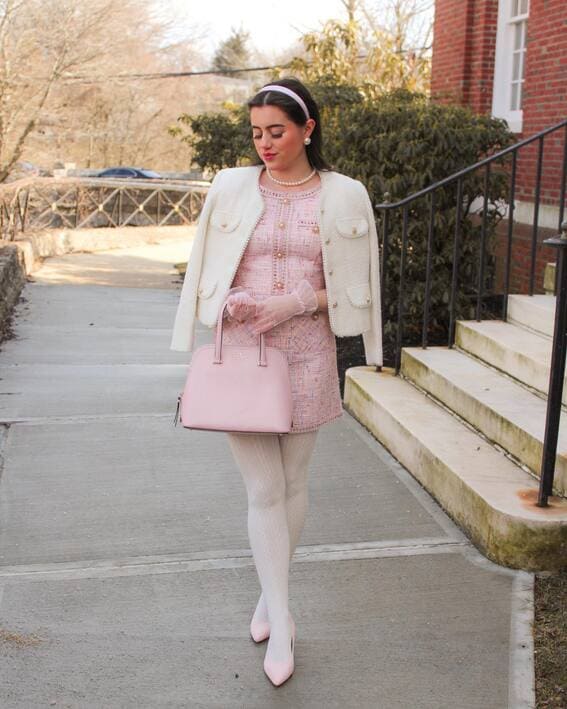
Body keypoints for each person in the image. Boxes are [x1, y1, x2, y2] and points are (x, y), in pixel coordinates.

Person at [170, 77, 383, 687]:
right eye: (257, 132)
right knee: (264, 488)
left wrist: (295, 302)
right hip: (242, 351)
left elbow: (351, 285)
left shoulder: (344, 195)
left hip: (308, 350)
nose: (265, 142)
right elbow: (209, 265)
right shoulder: (232, 185)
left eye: (277, 131)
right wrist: (231, 300)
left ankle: (269, 594)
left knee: (293, 483)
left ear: (307, 129)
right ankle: (283, 622)